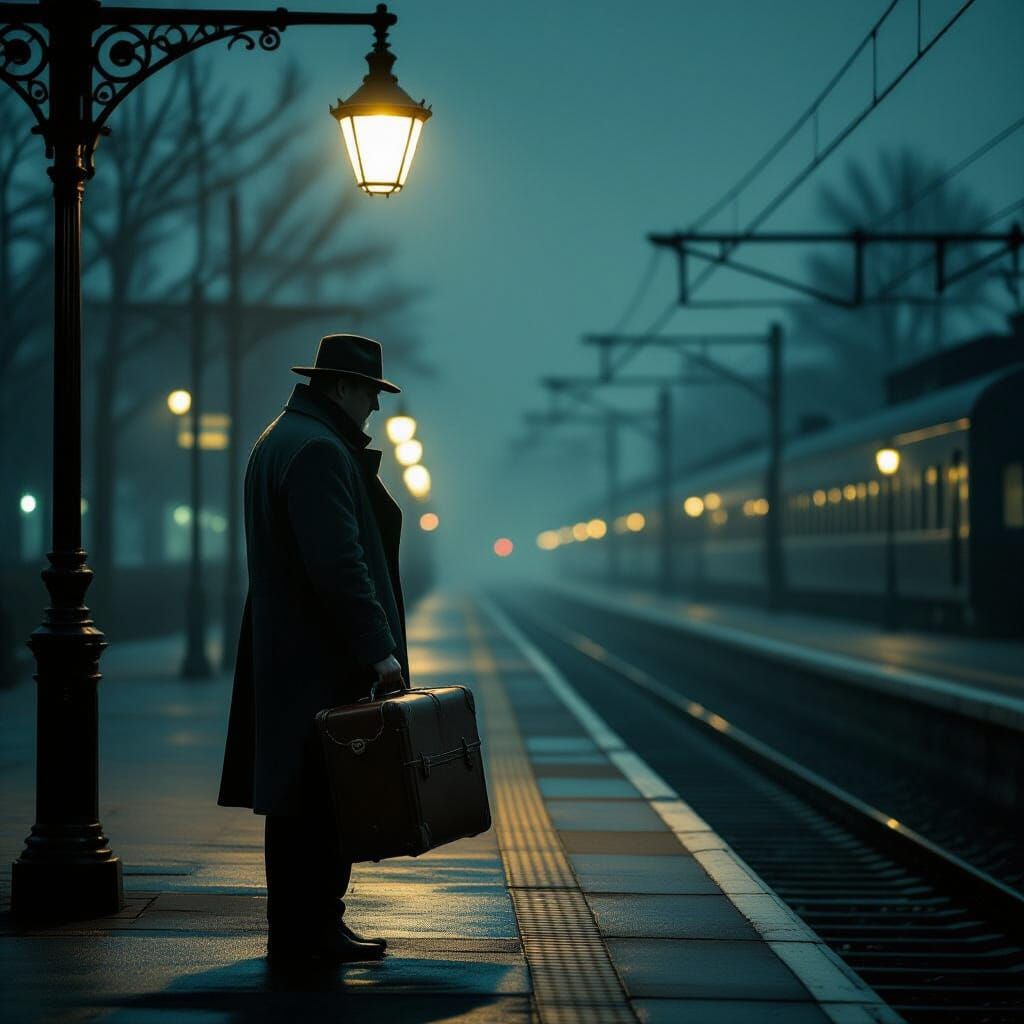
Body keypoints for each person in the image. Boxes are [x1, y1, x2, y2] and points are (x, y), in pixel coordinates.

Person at [217, 333, 409, 964]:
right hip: (320, 657)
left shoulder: (278, 439)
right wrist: (378, 649)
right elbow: (339, 564)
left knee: (296, 800)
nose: (375, 406)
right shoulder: (321, 450)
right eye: (371, 392)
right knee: (325, 798)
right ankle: (314, 929)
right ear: (344, 386)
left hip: (289, 650)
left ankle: (301, 927)